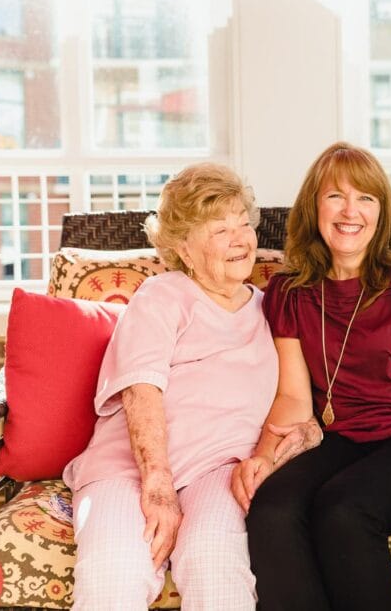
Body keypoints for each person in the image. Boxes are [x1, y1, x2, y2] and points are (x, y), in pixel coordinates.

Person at [230, 142, 391, 611]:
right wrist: (264, 457)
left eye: (365, 198)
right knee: (271, 508)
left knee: (342, 511)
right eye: (336, 197)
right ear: (313, 207)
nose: (351, 211)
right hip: (337, 437)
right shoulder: (289, 291)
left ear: (381, 212)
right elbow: (292, 397)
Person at [63, 163, 277, 610]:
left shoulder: (272, 309)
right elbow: (140, 387)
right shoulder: (163, 295)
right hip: (129, 470)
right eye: (221, 230)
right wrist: (157, 486)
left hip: (218, 470)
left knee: (215, 563)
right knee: (113, 571)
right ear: (184, 247)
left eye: (244, 224)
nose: (241, 239)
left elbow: (300, 401)